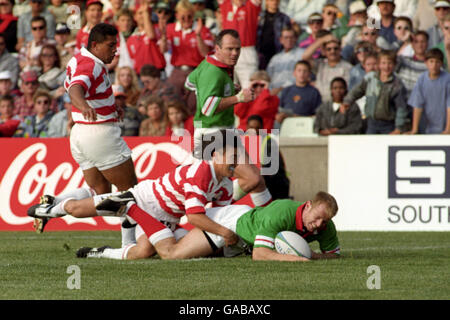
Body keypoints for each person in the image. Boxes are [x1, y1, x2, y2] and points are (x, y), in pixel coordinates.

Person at [28, 129, 241, 259]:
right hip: (142, 198)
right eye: (233, 156)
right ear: (216, 154)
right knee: (77, 209)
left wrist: (219, 237)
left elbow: (213, 218)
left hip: (166, 217)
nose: (236, 162)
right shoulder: (201, 173)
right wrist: (224, 233)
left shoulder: (226, 186)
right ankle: (49, 210)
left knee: (143, 254)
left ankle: (100, 252)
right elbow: (195, 216)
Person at [51, 23, 138, 242]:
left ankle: (53, 201)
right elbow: (76, 88)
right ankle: (130, 245)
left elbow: (84, 88)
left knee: (100, 190)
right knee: (130, 193)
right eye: (110, 45)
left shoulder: (80, 57)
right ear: (95, 44)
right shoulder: (92, 65)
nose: (115, 50)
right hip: (99, 134)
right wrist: (84, 106)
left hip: (80, 134)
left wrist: (108, 106)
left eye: (116, 45)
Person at [76, 191, 340, 262]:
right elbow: (262, 256)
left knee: (143, 252)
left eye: (323, 222)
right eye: (315, 217)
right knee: (171, 254)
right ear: (306, 205)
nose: (317, 225)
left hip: (240, 231)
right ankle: (132, 209)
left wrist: (312, 254)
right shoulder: (282, 212)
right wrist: (300, 259)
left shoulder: (324, 225)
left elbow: (333, 256)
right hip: (227, 224)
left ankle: (98, 251)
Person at [185, 29, 272, 208]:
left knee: (257, 181)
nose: (234, 53)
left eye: (237, 49)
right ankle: (214, 215)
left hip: (221, 133)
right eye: (229, 49)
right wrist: (239, 97)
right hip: (213, 134)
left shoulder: (210, 64)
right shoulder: (213, 72)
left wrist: (226, 87)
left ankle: (270, 224)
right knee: (252, 178)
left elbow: (190, 82)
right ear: (217, 48)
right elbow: (208, 108)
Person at [343, 50, 409, 134]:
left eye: (390, 63)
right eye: (383, 63)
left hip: (388, 124)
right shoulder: (370, 78)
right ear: (379, 64)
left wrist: (399, 128)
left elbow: (401, 108)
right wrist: (347, 101)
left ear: (394, 65)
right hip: (371, 122)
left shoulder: (397, 84)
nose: (386, 66)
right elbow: (357, 91)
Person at [218, 0, 261, 89]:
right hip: (227, 52)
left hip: (246, 51)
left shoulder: (251, 5)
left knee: (249, 89)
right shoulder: (225, 4)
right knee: (228, 91)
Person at [246, 114, 290, 200]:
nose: (254, 131)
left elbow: (273, 171)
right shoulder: (242, 142)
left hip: (271, 185)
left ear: (262, 128)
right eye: (251, 128)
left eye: (257, 128)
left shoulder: (269, 143)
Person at [407, 48, 450, 134]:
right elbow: (417, 105)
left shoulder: (447, 79)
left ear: (441, 63)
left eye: (437, 62)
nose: (434, 65)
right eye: (431, 61)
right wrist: (414, 129)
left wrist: (448, 129)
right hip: (426, 129)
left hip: (444, 128)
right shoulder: (422, 79)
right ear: (426, 63)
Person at [302, 34, 352, 102]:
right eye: (329, 49)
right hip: (320, 104)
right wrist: (322, 40)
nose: (332, 51)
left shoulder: (348, 67)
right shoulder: (320, 64)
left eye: (335, 48)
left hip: (338, 104)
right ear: (324, 51)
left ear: (340, 50)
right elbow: (305, 57)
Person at [275, 60, 322, 126]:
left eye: (305, 71)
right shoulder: (286, 90)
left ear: (309, 74)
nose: (302, 74)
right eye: (299, 70)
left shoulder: (314, 92)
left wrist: (294, 117)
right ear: (294, 73)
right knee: (272, 128)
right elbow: (278, 110)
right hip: (286, 126)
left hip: (304, 126)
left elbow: (318, 116)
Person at [126, 1, 166, 76]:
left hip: (157, 74)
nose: (143, 16)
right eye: (140, 13)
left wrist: (145, 14)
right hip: (141, 76)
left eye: (147, 13)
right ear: (135, 16)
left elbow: (150, 35)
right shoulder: (131, 39)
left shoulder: (157, 29)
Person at [266, 27, 305, 95]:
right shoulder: (275, 58)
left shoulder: (302, 54)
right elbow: (268, 77)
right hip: (273, 93)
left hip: (293, 92)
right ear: (281, 40)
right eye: (286, 37)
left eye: (291, 37)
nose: (289, 40)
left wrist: (281, 88)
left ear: (296, 39)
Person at [255, 0, 292, 70]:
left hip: (277, 52)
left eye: (277, 0)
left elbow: (288, 36)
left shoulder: (284, 18)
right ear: (267, 2)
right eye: (272, 0)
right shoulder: (259, 16)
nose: (274, 2)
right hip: (261, 53)